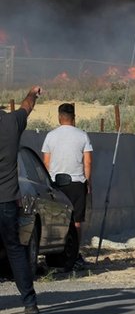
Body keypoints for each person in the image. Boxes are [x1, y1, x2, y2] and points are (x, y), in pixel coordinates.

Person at [0, 86, 42, 314]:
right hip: (6, 201)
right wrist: (32, 92)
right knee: (15, 251)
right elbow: (27, 106)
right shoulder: (12, 122)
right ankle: (29, 302)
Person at [41, 103, 93, 270]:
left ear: (59, 117)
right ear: (74, 117)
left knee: (56, 219)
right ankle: (74, 255)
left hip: (56, 185)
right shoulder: (83, 135)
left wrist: (46, 183)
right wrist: (88, 182)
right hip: (77, 183)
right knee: (76, 221)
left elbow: (46, 163)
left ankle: (55, 254)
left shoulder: (50, 136)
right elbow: (88, 162)